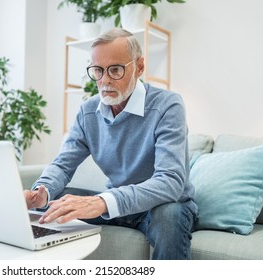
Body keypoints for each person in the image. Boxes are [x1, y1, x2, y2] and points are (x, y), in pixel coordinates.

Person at [24, 28, 197, 260]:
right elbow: (63, 165)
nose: (104, 80)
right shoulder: (88, 111)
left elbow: (170, 182)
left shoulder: (168, 105)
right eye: (97, 70)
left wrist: (103, 202)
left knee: (169, 216)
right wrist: (41, 192)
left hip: (162, 206)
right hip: (118, 205)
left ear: (140, 67)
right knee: (56, 202)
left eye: (115, 70)